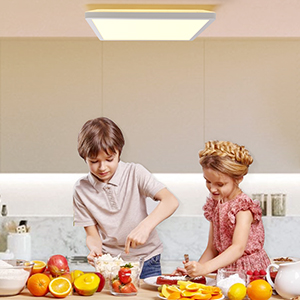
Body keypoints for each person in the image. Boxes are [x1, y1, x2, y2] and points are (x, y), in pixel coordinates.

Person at [73, 117, 179, 279]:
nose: (102, 167)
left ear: (119, 152)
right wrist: (95, 249)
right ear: (84, 158)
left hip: (147, 260)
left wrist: (145, 227)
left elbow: (170, 201)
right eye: (94, 161)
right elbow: (92, 235)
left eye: (109, 159)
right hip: (111, 264)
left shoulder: (135, 173)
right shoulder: (81, 190)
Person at [175, 140, 270, 277]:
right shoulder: (216, 204)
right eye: (208, 181)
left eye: (220, 184)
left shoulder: (243, 207)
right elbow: (212, 248)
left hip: (249, 272)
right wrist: (195, 272)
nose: (212, 189)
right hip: (224, 270)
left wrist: (205, 268)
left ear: (238, 179)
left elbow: (238, 248)